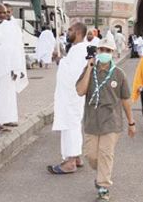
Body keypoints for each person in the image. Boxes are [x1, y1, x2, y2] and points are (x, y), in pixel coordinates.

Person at [75, 34, 136, 201]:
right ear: (97, 51)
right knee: (92, 157)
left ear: (113, 53)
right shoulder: (89, 70)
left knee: (106, 154)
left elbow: (125, 100)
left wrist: (131, 122)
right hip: (91, 122)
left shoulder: (119, 74)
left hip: (111, 121)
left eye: (108, 50)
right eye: (101, 49)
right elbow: (80, 91)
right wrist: (88, 67)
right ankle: (99, 175)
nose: (104, 53)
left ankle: (103, 186)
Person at [47, 22, 88, 174]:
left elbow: (73, 74)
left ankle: (70, 162)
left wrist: (60, 61)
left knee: (70, 125)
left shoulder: (79, 50)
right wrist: (63, 60)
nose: (67, 32)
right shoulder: (78, 49)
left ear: (77, 32)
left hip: (72, 95)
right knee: (74, 125)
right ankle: (76, 156)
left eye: (70, 30)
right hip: (73, 96)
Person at [0, 4, 19, 131]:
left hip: (7, 68)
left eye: (4, 13)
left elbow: (15, 49)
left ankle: (2, 121)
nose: (2, 15)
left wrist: (16, 67)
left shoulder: (10, 27)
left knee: (4, 97)